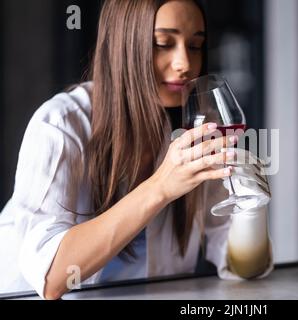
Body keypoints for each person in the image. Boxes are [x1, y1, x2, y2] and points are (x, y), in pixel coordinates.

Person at [0, 0, 273, 300]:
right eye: (163, 44)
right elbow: (52, 279)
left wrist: (251, 210)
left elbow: (243, 268)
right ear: (123, 45)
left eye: (195, 46)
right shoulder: (61, 125)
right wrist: (160, 187)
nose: (184, 63)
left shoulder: (191, 131)